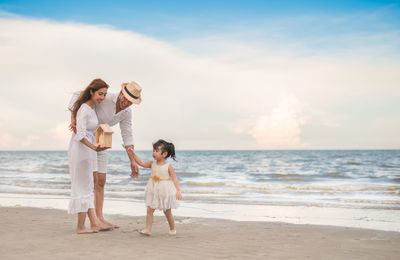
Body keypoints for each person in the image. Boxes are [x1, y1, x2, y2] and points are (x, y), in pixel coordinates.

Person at [68, 81, 142, 228]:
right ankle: (94, 220)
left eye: (131, 102)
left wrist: (132, 161)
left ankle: (100, 217)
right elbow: (77, 95)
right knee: (92, 179)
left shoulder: (126, 112)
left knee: (101, 180)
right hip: (87, 141)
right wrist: (73, 119)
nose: (127, 103)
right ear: (121, 94)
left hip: (102, 143)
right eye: (126, 99)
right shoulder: (106, 97)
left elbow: (127, 135)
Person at [68, 78, 110, 234]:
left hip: (88, 151)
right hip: (80, 151)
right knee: (82, 186)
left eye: (105, 95)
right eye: (100, 94)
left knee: (88, 186)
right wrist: (93, 147)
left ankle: (92, 224)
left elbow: (90, 132)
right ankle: (80, 227)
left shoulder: (92, 109)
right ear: (91, 91)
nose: (102, 98)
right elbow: (79, 134)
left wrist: (98, 144)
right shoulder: (85, 109)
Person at [131, 140, 182, 236]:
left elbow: (174, 179)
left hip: (164, 191)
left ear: (164, 154)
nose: (154, 152)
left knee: (167, 212)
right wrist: (133, 153)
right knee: (149, 209)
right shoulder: (151, 164)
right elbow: (141, 163)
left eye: (157, 151)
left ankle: (172, 229)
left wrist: (178, 190)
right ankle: (147, 229)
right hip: (153, 190)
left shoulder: (168, 166)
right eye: (153, 150)